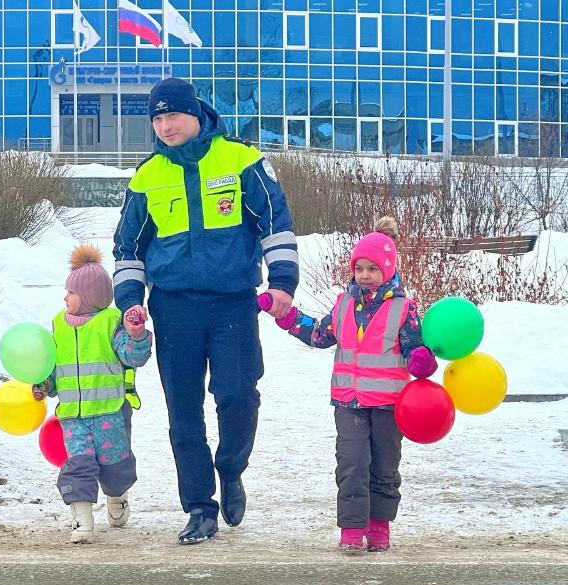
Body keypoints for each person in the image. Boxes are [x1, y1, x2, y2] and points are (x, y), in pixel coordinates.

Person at [113, 77, 299, 544]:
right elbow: (127, 248)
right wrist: (131, 301)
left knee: (238, 395)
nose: (164, 125)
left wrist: (282, 284)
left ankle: (231, 469)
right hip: (174, 307)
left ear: (195, 113)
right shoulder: (147, 175)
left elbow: (275, 225)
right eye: (156, 118)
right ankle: (199, 506)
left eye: (171, 114)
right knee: (184, 414)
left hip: (233, 301)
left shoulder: (242, 160)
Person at [270, 216, 438, 552]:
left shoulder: (404, 309)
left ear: (387, 270)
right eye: (359, 268)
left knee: (384, 466)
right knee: (351, 464)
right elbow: (319, 334)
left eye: (372, 269)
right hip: (349, 404)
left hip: (389, 405)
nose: (364, 275)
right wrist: (288, 318)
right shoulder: (344, 304)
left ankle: (379, 525)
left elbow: (415, 349)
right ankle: (351, 529)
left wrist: (422, 359)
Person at [33, 245, 152, 544]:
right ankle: (82, 520)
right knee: (78, 466)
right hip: (73, 416)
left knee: (115, 467)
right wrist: (46, 384)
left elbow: (132, 357)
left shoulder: (110, 323)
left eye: (70, 293)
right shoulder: (58, 325)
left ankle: (117, 495)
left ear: (88, 296)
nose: (65, 298)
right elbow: (54, 365)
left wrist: (136, 336)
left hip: (110, 412)